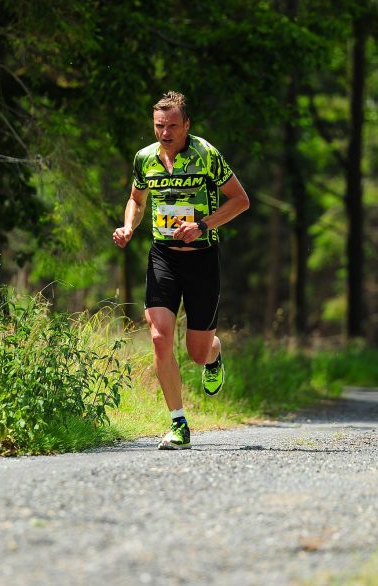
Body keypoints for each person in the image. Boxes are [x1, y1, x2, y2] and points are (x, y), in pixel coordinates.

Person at [112, 91, 250, 450]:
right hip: (163, 257)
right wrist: (129, 226)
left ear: (187, 125)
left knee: (196, 351)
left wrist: (203, 225)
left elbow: (240, 200)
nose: (165, 132)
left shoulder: (206, 156)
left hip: (202, 257)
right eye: (160, 125)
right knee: (159, 335)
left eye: (173, 125)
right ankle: (178, 424)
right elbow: (136, 199)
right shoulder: (145, 159)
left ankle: (214, 353)